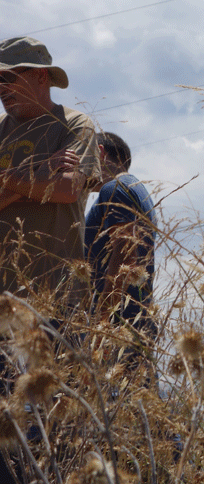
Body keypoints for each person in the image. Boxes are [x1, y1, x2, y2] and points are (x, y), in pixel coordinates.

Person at [0, 36, 99, 310]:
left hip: (57, 293)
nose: (1, 88)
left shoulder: (75, 124)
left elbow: (67, 190)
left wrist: (7, 179)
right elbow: (53, 188)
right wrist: (40, 171)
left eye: (7, 77)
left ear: (41, 75)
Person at [84, 131, 157, 381]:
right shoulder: (136, 189)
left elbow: (125, 254)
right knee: (136, 395)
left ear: (99, 152)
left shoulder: (114, 188)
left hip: (118, 320)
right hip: (135, 314)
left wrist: (103, 317)